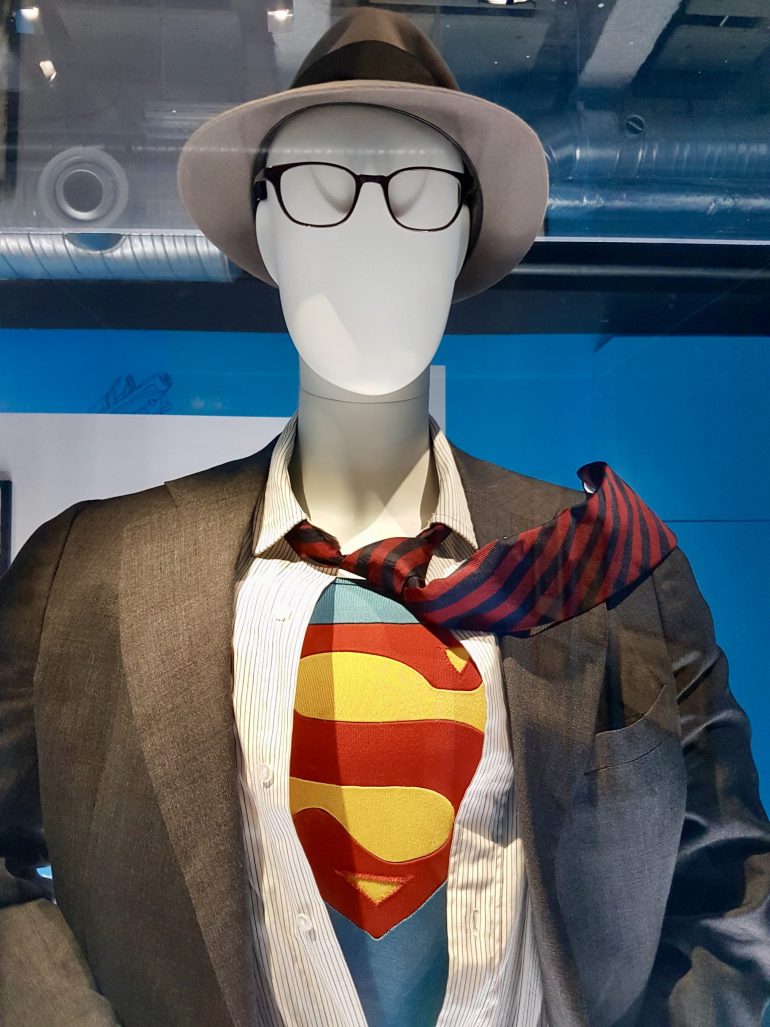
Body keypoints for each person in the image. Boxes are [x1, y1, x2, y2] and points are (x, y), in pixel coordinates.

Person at [1, 9, 769, 1027]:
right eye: (319, 189)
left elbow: (731, 891)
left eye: (418, 195)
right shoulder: (85, 571)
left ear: (463, 237)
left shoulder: (610, 565)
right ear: (265, 229)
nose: (369, 234)